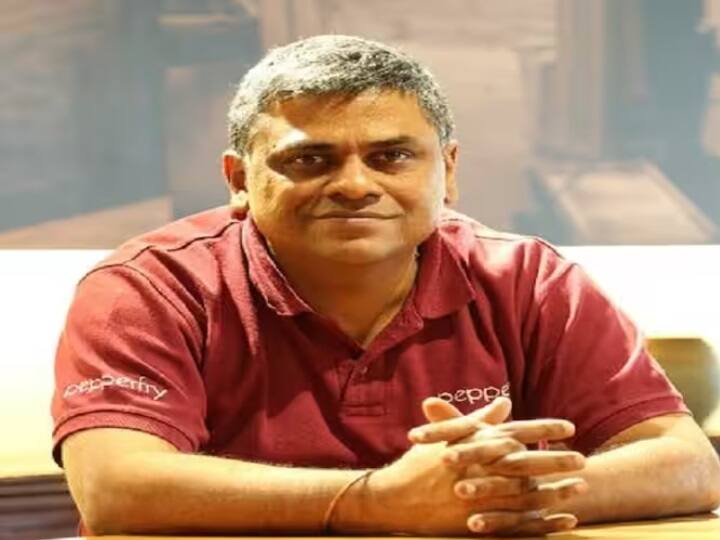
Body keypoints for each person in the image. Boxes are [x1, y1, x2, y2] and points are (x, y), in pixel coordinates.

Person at [52, 34, 720, 537]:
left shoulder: (530, 280)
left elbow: (686, 464)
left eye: (391, 156)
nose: (353, 185)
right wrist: (379, 501)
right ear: (238, 180)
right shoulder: (148, 287)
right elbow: (116, 488)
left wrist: (486, 494)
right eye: (309, 159)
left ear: (447, 172)